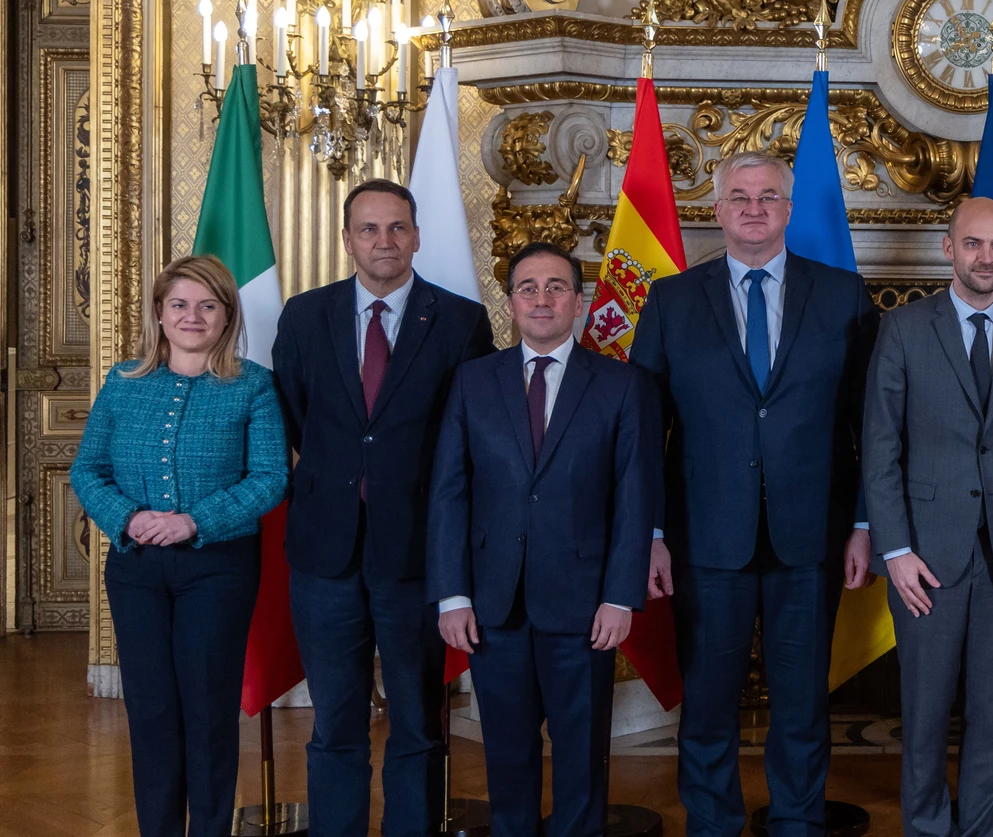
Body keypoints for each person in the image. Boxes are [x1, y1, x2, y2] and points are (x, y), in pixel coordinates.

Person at [631, 150, 880, 837]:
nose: (754, 208)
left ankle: (797, 823)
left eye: (768, 196)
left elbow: (872, 425)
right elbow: (643, 433)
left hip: (812, 537)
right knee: (708, 703)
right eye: (739, 196)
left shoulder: (842, 295)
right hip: (705, 539)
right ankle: (712, 824)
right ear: (717, 210)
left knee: (802, 704)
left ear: (789, 209)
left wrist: (864, 521)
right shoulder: (672, 300)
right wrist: (649, 534)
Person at [272, 179, 495, 837]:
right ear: (347, 239)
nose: (384, 241)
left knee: (418, 720)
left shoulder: (459, 320)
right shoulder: (304, 315)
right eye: (368, 228)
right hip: (325, 553)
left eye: (397, 227)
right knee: (335, 720)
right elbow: (295, 415)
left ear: (417, 235)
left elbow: (471, 434)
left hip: (419, 552)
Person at [429, 242, 659, 837]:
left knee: (582, 754)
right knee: (506, 751)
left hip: (585, 606)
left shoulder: (622, 385)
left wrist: (620, 596)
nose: (541, 298)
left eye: (556, 286)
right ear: (509, 302)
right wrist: (452, 595)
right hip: (492, 602)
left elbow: (636, 498)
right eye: (528, 287)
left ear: (578, 303)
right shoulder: (472, 382)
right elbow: (449, 493)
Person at [861, 196, 993, 837]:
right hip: (926, 554)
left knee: (991, 711)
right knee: (923, 710)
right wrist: (894, 550)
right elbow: (880, 447)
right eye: (973, 244)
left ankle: (977, 828)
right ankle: (926, 826)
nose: (987, 257)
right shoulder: (903, 329)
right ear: (948, 248)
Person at [70, 255, 287, 837]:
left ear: (226, 315)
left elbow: (270, 478)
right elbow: (87, 469)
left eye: (208, 305)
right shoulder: (123, 383)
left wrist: (193, 522)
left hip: (218, 568)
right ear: (160, 316)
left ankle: (211, 829)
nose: (193, 316)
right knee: (151, 709)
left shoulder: (252, 386)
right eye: (180, 305)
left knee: (208, 708)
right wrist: (129, 516)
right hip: (136, 567)